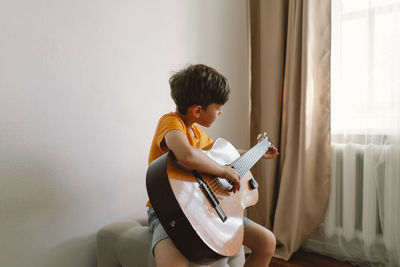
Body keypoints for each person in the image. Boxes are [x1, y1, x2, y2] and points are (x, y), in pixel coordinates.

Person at [146, 64, 279, 267]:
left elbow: (225, 156)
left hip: (206, 210)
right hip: (169, 212)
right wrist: (224, 171)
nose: (221, 112)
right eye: (218, 108)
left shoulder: (198, 133)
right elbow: (186, 155)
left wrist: (257, 151)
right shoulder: (171, 123)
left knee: (266, 241)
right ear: (198, 110)